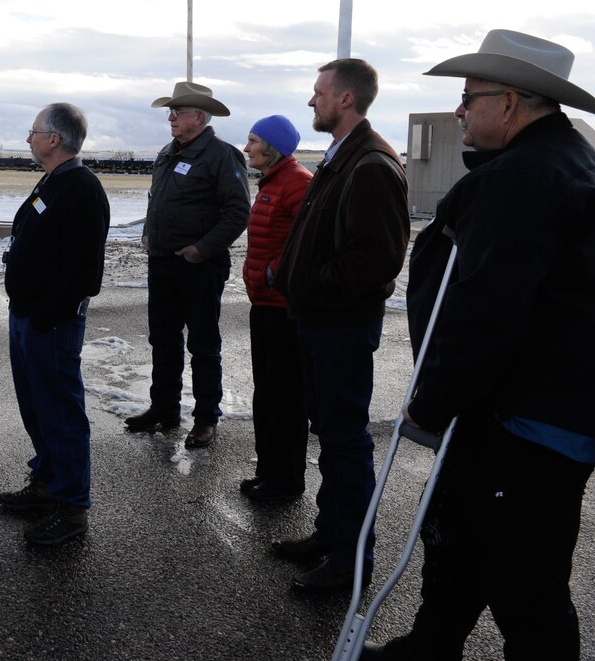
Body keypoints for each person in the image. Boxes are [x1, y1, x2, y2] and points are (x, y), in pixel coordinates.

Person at [363, 31, 595, 660]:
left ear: (512, 103)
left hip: (523, 418)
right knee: (458, 539)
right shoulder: (567, 162)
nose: (461, 110)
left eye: (470, 98)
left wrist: (431, 402)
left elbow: (486, 309)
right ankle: (431, 644)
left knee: (527, 585)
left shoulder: (524, 178)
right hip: (531, 407)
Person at [270, 59, 410, 594]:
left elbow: (376, 260)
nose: (312, 101)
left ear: (346, 100)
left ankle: (352, 563)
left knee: (346, 443)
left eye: (319, 93)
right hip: (319, 322)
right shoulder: (342, 156)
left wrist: (308, 284)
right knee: (330, 435)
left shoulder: (370, 163)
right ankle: (330, 533)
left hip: (340, 328)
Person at [0, 103, 110, 545]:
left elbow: (85, 270)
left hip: (51, 323)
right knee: (36, 406)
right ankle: (46, 483)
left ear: (54, 139)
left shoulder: (82, 188)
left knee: (61, 411)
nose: (28, 138)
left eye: (34, 131)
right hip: (28, 315)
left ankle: (71, 506)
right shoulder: (54, 181)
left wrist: (45, 313)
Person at [125, 82, 250, 449]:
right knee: (162, 339)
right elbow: (157, 201)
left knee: (203, 344)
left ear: (199, 115)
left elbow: (238, 212)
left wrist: (201, 248)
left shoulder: (221, 156)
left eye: (177, 112)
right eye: (171, 112)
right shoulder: (167, 152)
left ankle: (206, 418)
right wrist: (149, 233)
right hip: (162, 263)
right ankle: (164, 408)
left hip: (199, 267)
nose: (171, 118)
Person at [239, 115, 312, 503]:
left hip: (283, 308)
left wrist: (273, 272)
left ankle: (286, 482)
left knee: (285, 397)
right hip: (264, 305)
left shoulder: (297, 181)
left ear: (273, 146)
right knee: (266, 393)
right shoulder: (272, 181)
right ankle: (267, 471)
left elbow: (310, 240)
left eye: (253, 140)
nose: (247, 147)